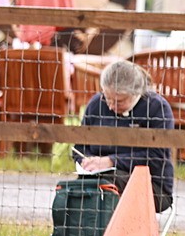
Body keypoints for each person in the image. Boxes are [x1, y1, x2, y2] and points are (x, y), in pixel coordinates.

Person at [74, 60, 175, 213]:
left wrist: (111, 161)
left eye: (118, 101)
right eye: (107, 98)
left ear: (136, 94)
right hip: (96, 179)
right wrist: (85, 160)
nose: (110, 106)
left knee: (105, 186)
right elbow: (79, 147)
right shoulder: (96, 104)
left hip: (152, 186)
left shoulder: (157, 108)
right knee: (79, 187)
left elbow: (157, 156)